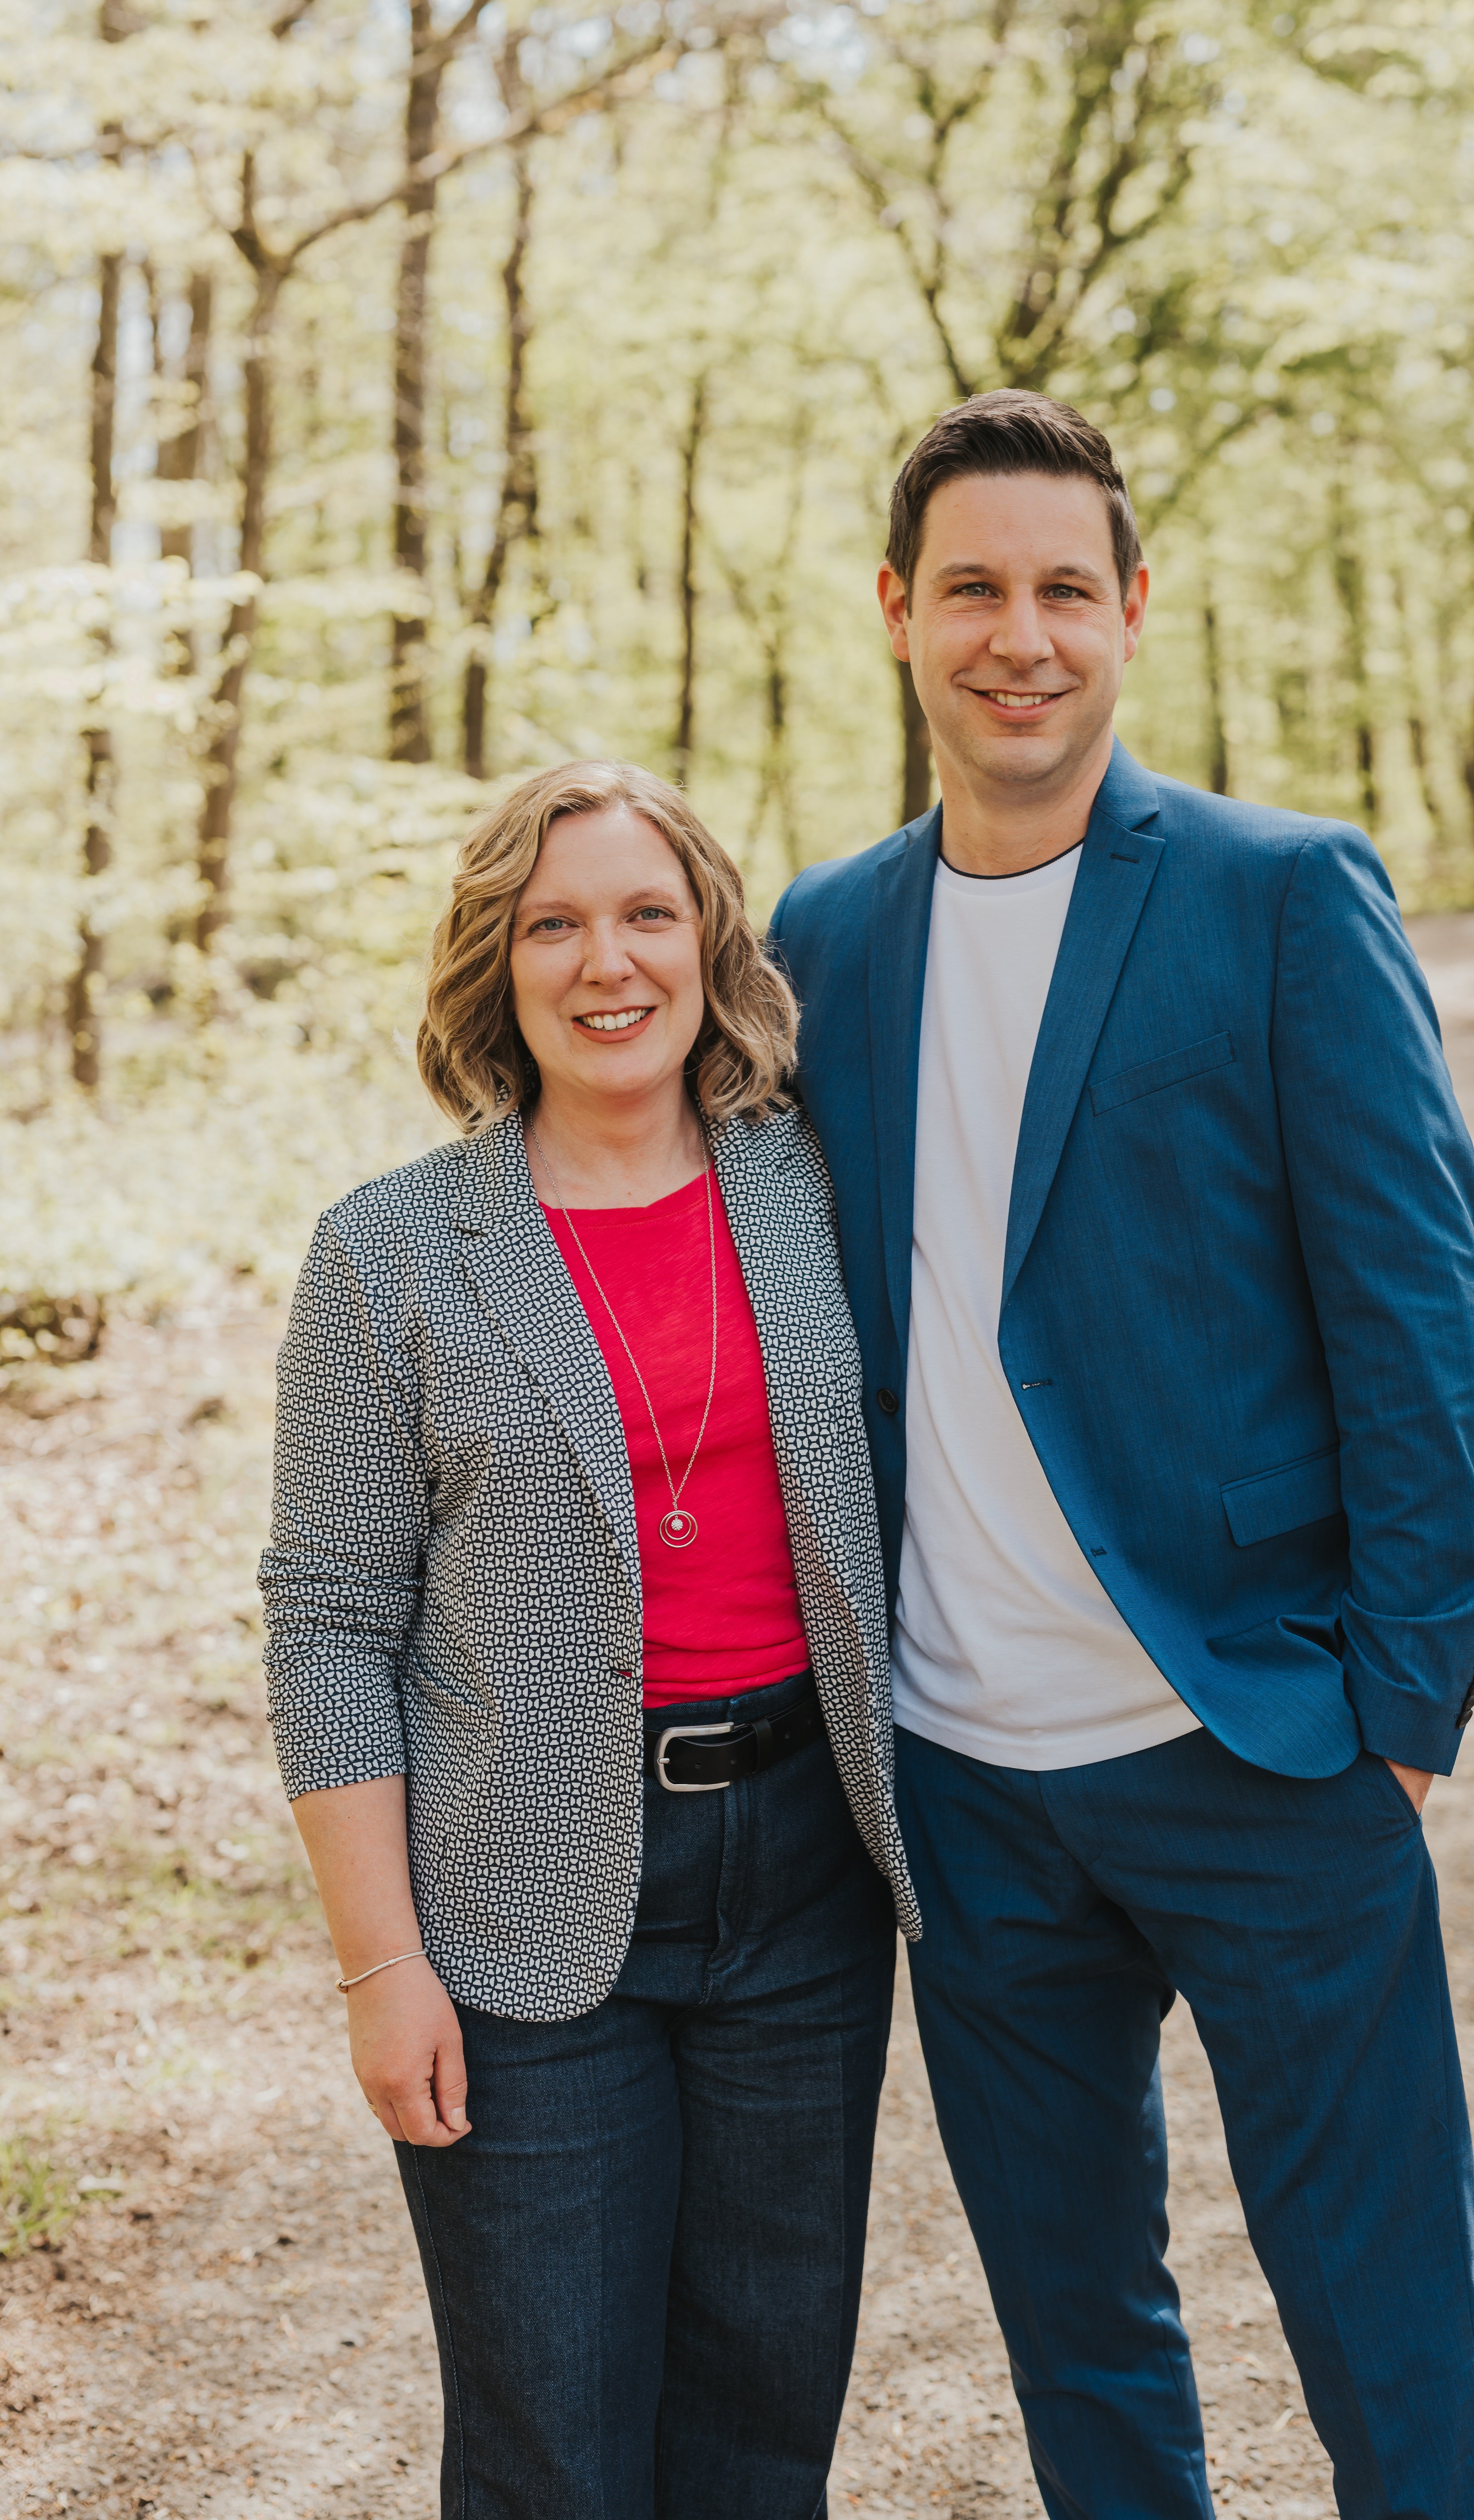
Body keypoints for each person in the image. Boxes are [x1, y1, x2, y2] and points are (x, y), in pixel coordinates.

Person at [769, 390, 1474, 2520]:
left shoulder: (1283, 898)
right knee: (1079, 2343)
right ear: (901, 613)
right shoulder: (827, 938)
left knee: (1387, 2325)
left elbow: (1417, 1317)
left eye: (1065, 591)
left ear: (1134, 613)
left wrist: (1402, 1705)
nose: (1022, 634)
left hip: (1260, 1748)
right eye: (976, 590)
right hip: (964, 1787)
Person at [259, 760, 920, 2520]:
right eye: (553, 924)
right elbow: (327, 1623)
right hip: (518, 1899)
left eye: (645, 914)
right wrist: (378, 1963)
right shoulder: (387, 1255)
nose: (604, 961)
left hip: (802, 1881)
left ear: (707, 944)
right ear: (497, 967)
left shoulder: (813, 1187)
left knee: (762, 2429)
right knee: (554, 2447)